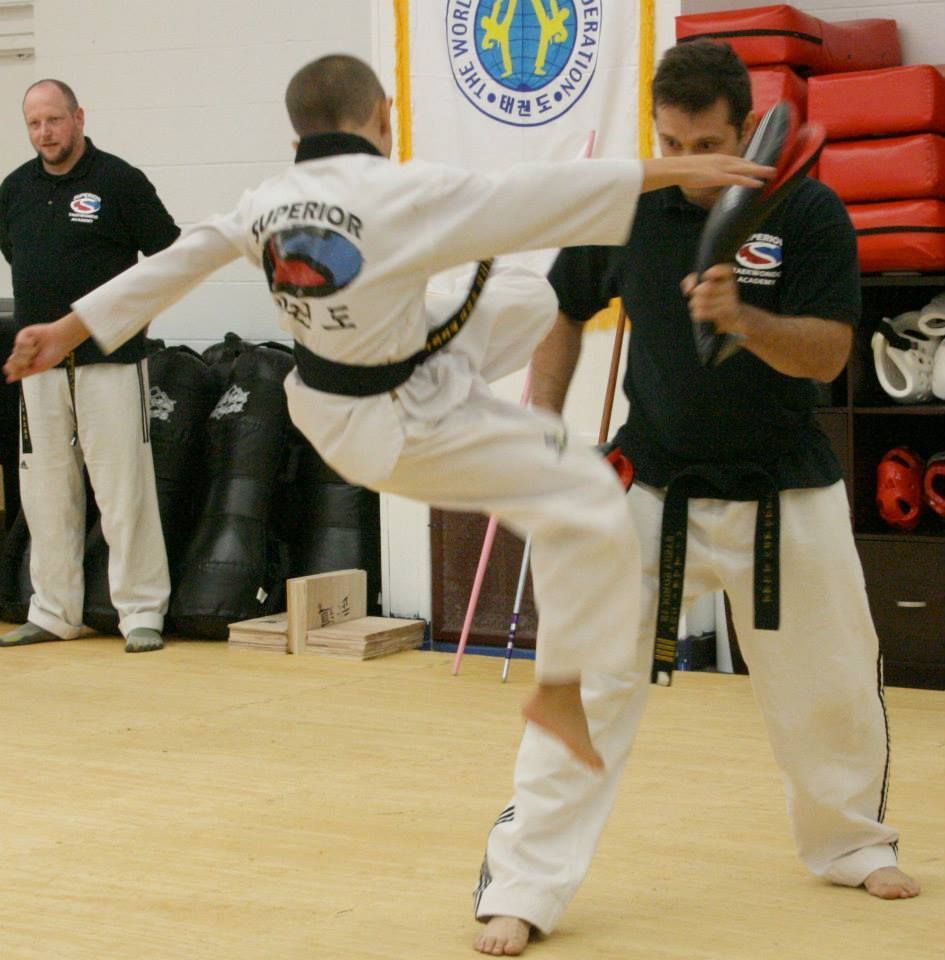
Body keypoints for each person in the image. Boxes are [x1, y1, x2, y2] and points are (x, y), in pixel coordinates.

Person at [2, 54, 771, 768]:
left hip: (329, 402)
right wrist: (674, 168)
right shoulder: (405, 191)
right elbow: (538, 191)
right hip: (395, 422)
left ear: (298, 131)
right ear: (383, 115)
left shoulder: (263, 203)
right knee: (588, 493)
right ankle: (562, 693)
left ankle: (453, 380)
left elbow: (176, 262)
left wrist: (65, 327)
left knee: (524, 293)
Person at [472, 38, 920, 957]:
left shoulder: (806, 211)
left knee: (832, 682)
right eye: (667, 142)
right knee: (582, 690)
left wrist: (742, 320)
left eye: (702, 142)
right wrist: (546, 429)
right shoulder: (624, 207)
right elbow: (564, 309)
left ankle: (849, 843)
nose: (682, 165)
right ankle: (524, 883)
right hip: (649, 485)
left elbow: (829, 355)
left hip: (784, 484)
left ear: (746, 128)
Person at [0, 79, 179, 654]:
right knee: (46, 492)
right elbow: (21, 257)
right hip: (41, 370)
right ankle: (54, 611)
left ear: (78, 117)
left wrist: (128, 319)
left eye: (54, 120)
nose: (44, 133)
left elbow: (170, 258)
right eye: (34, 124)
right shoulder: (15, 189)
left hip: (111, 360)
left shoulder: (120, 181)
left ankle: (142, 611)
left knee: (123, 487)